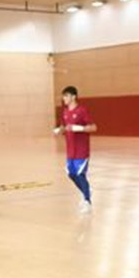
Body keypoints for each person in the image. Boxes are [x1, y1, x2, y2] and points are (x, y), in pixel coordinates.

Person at [53, 85, 97, 214]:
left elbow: (94, 127)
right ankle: (86, 190)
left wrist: (79, 128)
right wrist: (59, 130)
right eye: (63, 96)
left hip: (81, 150)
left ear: (73, 97)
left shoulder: (82, 110)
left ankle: (87, 201)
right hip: (70, 150)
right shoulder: (65, 112)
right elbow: (65, 127)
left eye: (66, 96)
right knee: (71, 174)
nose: (64, 98)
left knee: (80, 174)